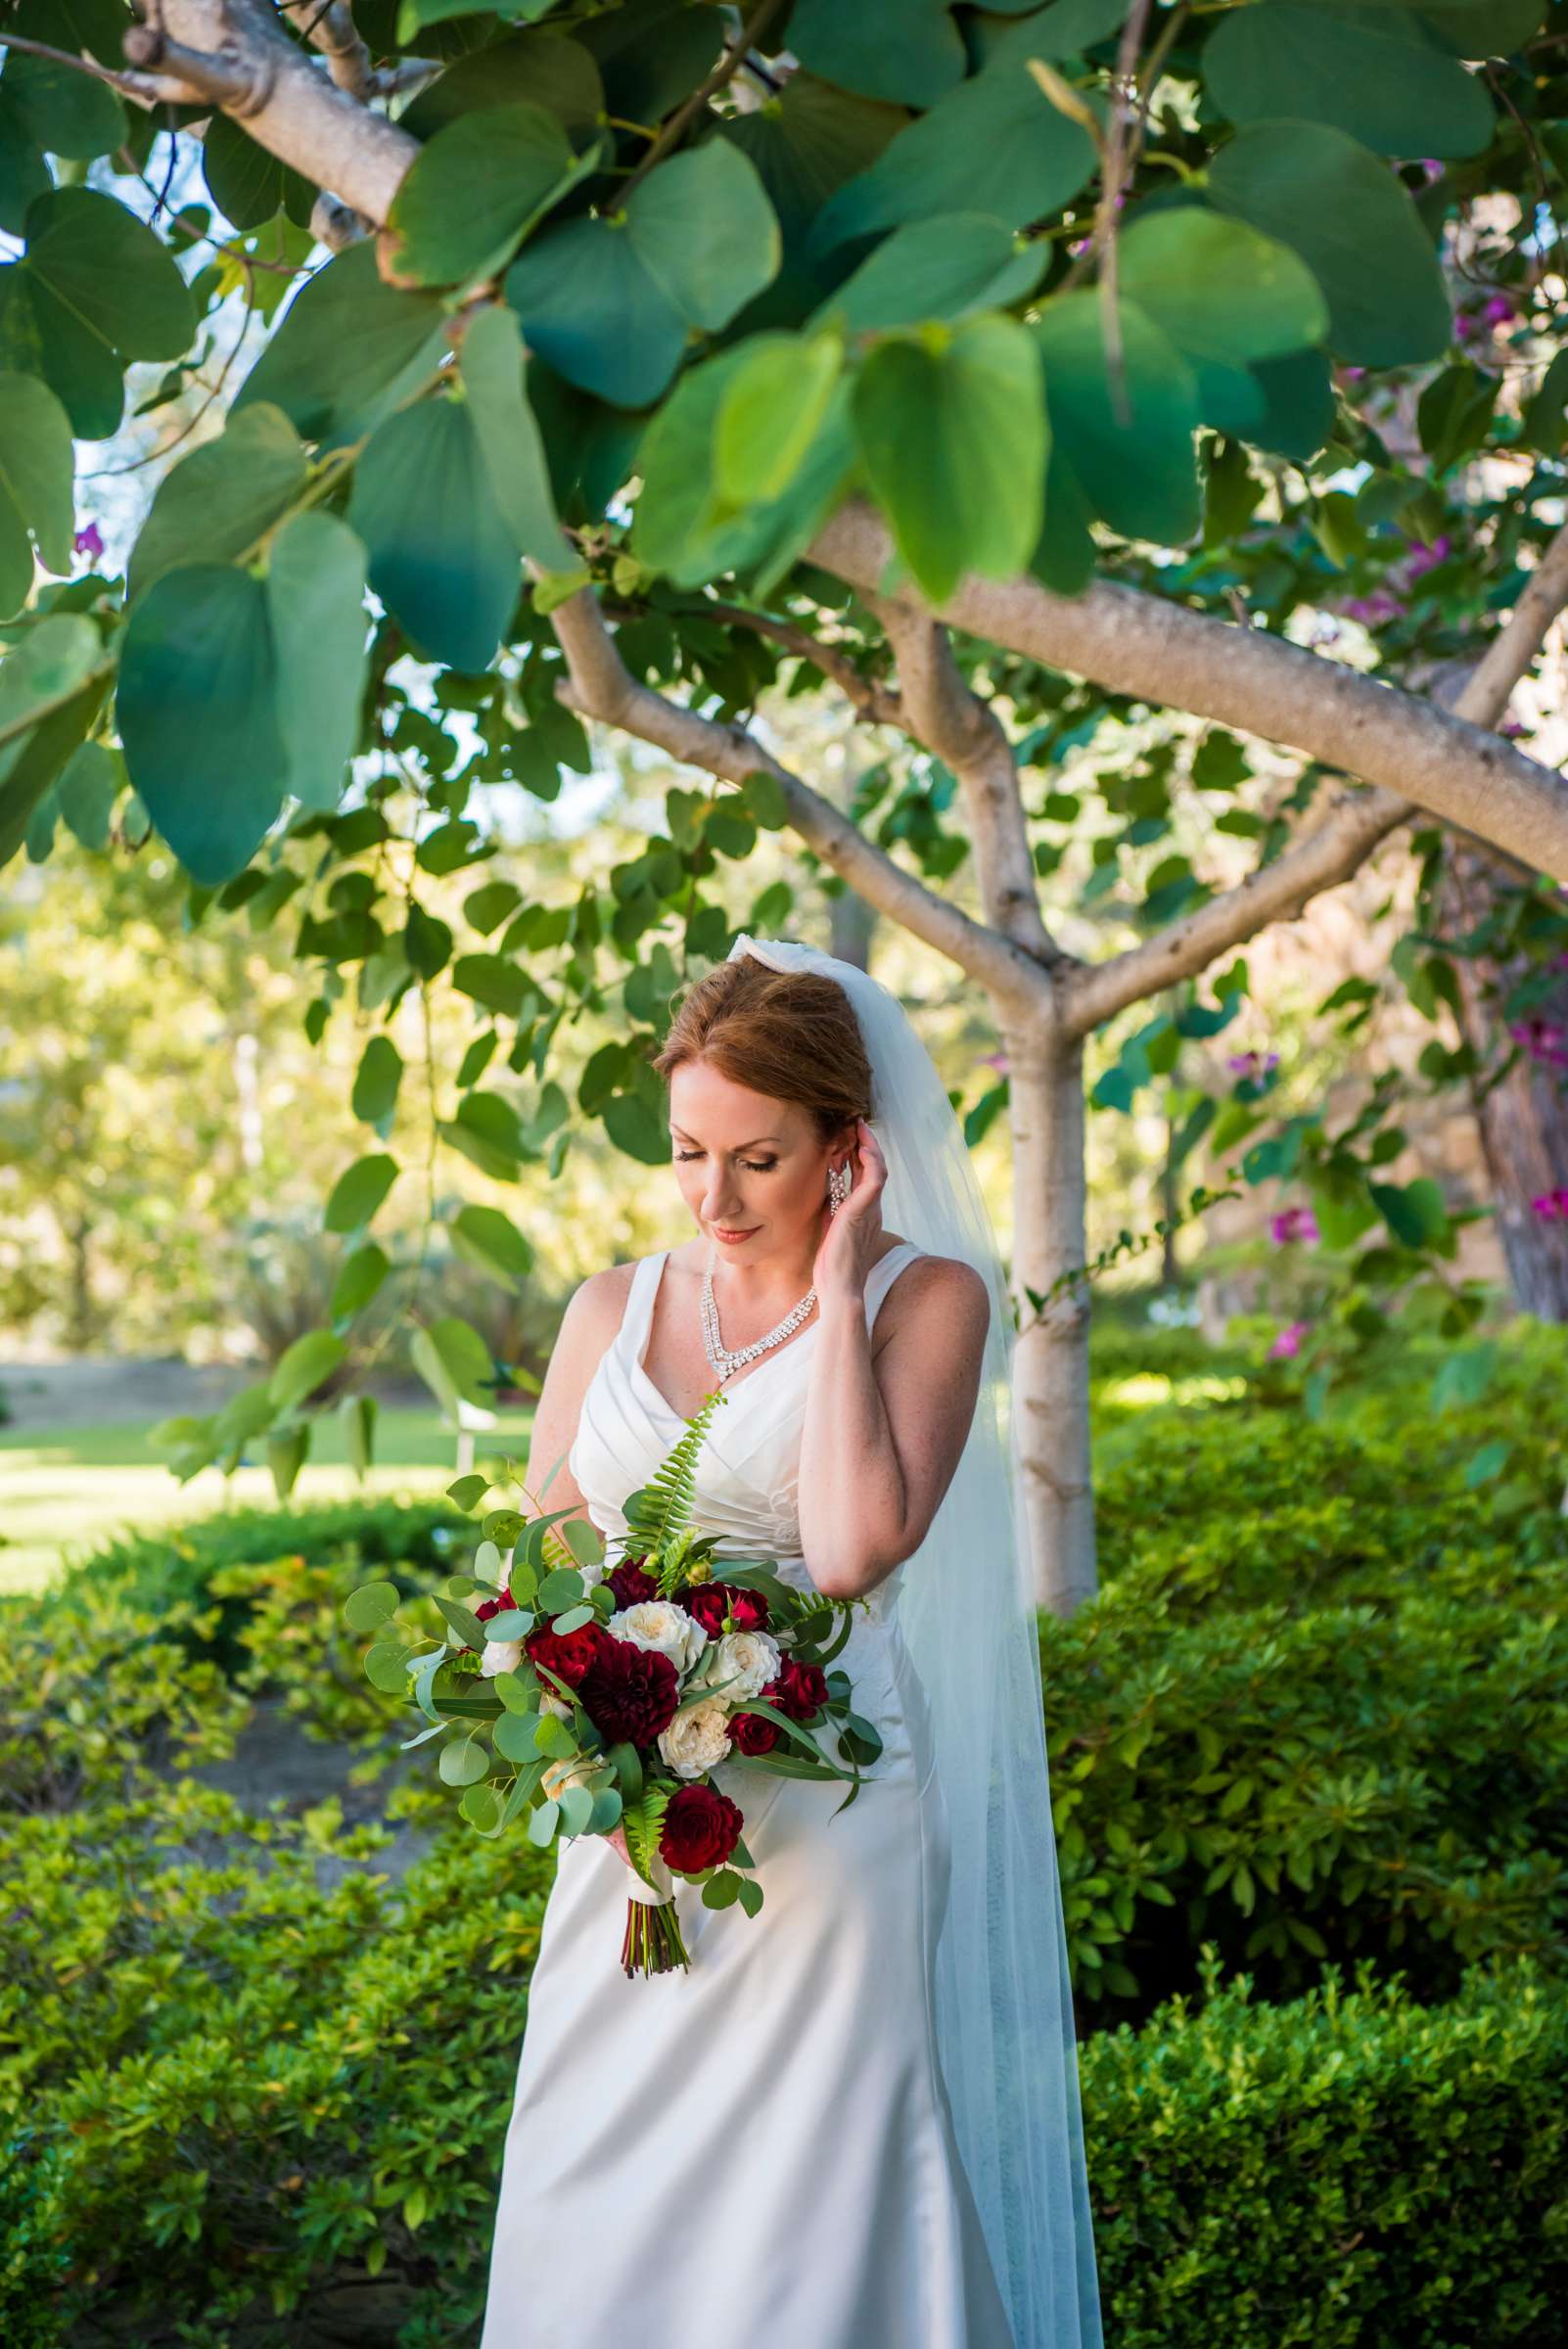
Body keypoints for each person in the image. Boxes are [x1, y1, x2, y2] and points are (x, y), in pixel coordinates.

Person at [480, 935, 1103, 2348]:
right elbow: (546, 1562)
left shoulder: (925, 1301)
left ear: (846, 1148)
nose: (713, 1195)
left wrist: (836, 1299)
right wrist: (596, 1692)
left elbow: (845, 1552)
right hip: (637, 1805)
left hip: (829, 1799)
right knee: (599, 2140)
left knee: (818, 2172)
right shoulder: (609, 1307)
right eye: (688, 1153)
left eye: (757, 1159)